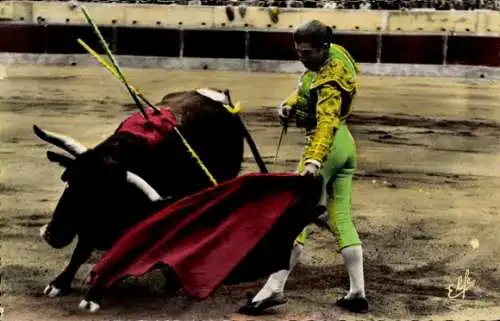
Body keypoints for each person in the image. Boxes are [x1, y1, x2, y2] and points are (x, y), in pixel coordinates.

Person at [238, 19, 368, 315]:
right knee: (342, 217)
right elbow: (309, 90)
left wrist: (313, 161)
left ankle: (273, 289)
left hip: (328, 148)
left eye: (307, 52)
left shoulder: (330, 79)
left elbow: (326, 122)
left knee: (293, 218)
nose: (301, 57)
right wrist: (290, 103)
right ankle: (357, 292)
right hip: (345, 145)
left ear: (322, 48)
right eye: (297, 51)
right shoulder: (333, 55)